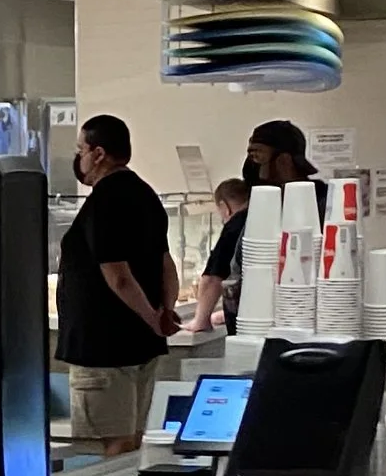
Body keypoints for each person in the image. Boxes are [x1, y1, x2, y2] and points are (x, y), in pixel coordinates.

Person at [55, 113, 177, 451]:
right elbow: (167, 265)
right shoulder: (146, 195)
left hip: (103, 349)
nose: (78, 157)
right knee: (131, 446)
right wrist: (165, 313)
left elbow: (118, 277)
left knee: (107, 449)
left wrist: (153, 319)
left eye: (80, 149)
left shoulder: (104, 201)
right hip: (141, 346)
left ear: (98, 154)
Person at [197, 121, 324, 336]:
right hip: (255, 329)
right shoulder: (250, 215)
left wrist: (201, 320)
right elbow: (219, 273)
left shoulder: (323, 206)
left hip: (308, 326)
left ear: (284, 161)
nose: (251, 164)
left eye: (257, 155)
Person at [188, 179, 252, 333]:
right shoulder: (262, 217)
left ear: (224, 207)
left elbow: (213, 278)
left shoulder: (235, 225)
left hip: (247, 327)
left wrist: (201, 320)